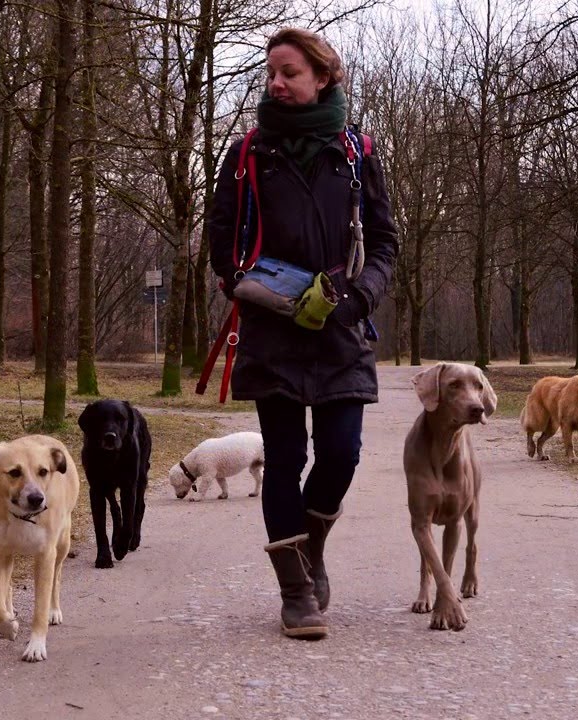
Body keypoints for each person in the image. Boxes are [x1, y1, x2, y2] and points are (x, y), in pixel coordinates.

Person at [206, 27, 398, 640]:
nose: (276, 84)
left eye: (289, 72)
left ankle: (309, 552)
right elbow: (221, 239)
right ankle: (295, 593)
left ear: (322, 77)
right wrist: (254, 285)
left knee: (341, 453)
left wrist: (361, 294)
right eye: (270, 74)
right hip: (272, 329)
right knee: (284, 458)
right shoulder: (246, 155)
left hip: (342, 328)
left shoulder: (356, 150)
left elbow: (385, 242)